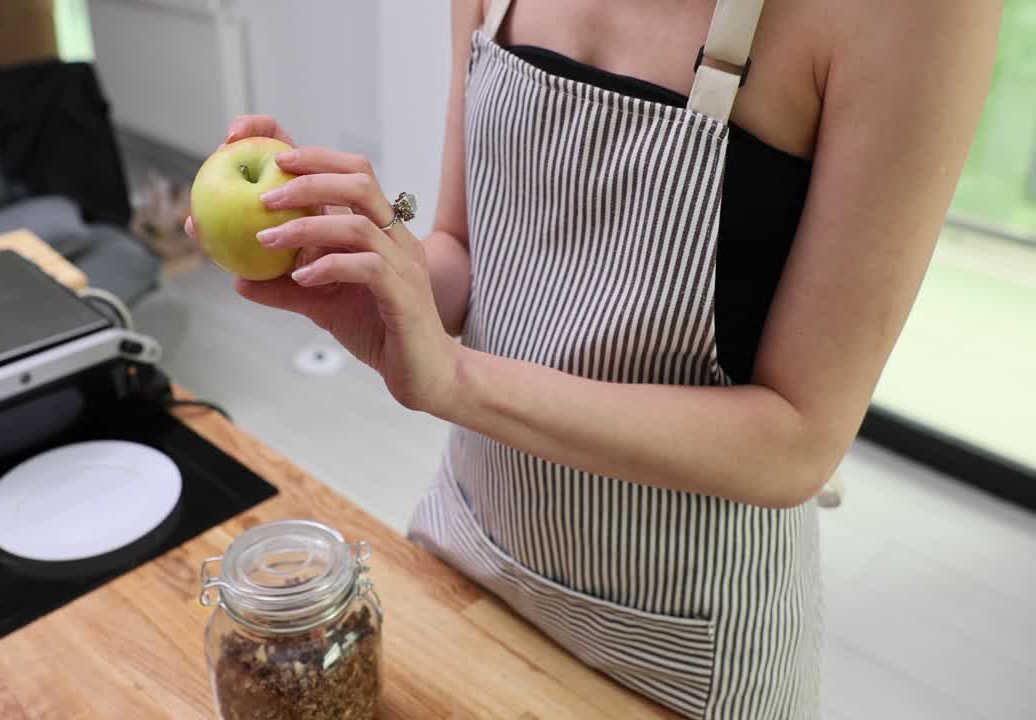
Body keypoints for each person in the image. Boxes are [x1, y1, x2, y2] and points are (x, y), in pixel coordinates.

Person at [185, 0, 1000, 717]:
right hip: (467, 556)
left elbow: (798, 436)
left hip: (684, 656)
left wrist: (456, 378)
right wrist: (375, 271)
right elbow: (463, 251)